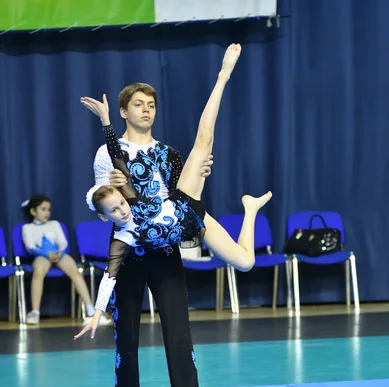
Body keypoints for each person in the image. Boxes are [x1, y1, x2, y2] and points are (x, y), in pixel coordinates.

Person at [75, 44, 272, 336]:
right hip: (156, 229)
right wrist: (96, 313)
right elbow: (107, 267)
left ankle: (223, 76)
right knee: (244, 262)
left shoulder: (164, 157)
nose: (146, 110)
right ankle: (251, 208)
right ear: (125, 111)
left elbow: (182, 191)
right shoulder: (121, 211)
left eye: (151, 105)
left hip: (180, 211)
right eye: (139, 104)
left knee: (245, 261)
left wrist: (200, 175)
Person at [21, 194, 109, 326]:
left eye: (49, 210)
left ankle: (90, 308)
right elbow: (30, 246)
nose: (47, 213)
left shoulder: (55, 224)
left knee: (74, 270)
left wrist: (60, 252)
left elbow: (63, 242)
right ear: (33, 211)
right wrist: (46, 254)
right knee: (38, 272)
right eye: (43, 209)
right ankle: (35, 312)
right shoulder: (27, 228)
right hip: (42, 256)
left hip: (58, 255)